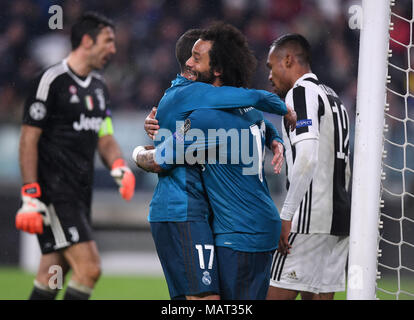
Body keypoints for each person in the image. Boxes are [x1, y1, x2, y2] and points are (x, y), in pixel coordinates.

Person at [135, 22, 295, 299]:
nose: (190, 65)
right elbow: (258, 112)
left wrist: (137, 152)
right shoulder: (245, 111)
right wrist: (275, 137)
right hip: (256, 221)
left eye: (197, 59)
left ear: (215, 68)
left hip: (235, 230)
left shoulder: (202, 118)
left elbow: (161, 159)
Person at [15, 12, 135, 300]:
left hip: (81, 193)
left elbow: (104, 136)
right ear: (86, 40)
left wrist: (119, 166)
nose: (113, 50)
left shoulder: (99, 87)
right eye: (108, 42)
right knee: (89, 268)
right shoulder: (50, 80)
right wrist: (31, 196)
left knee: (53, 273)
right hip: (54, 192)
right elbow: (28, 140)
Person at [265, 34, 351, 300]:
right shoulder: (335, 98)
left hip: (308, 219)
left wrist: (287, 215)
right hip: (338, 221)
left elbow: (307, 157)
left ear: (288, 60)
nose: (269, 76)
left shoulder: (300, 93)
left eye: (271, 67)